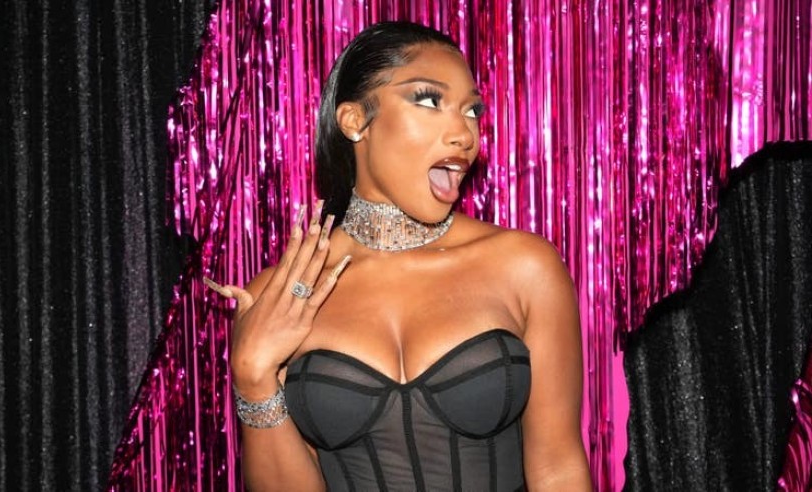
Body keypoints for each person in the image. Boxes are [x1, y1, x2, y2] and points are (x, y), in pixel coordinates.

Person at [204, 21, 591, 491]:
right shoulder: (280, 294)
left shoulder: (524, 266)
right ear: (355, 121)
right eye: (428, 100)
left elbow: (558, 469)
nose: (464, 134)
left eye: (472, 110)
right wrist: (252, 378)